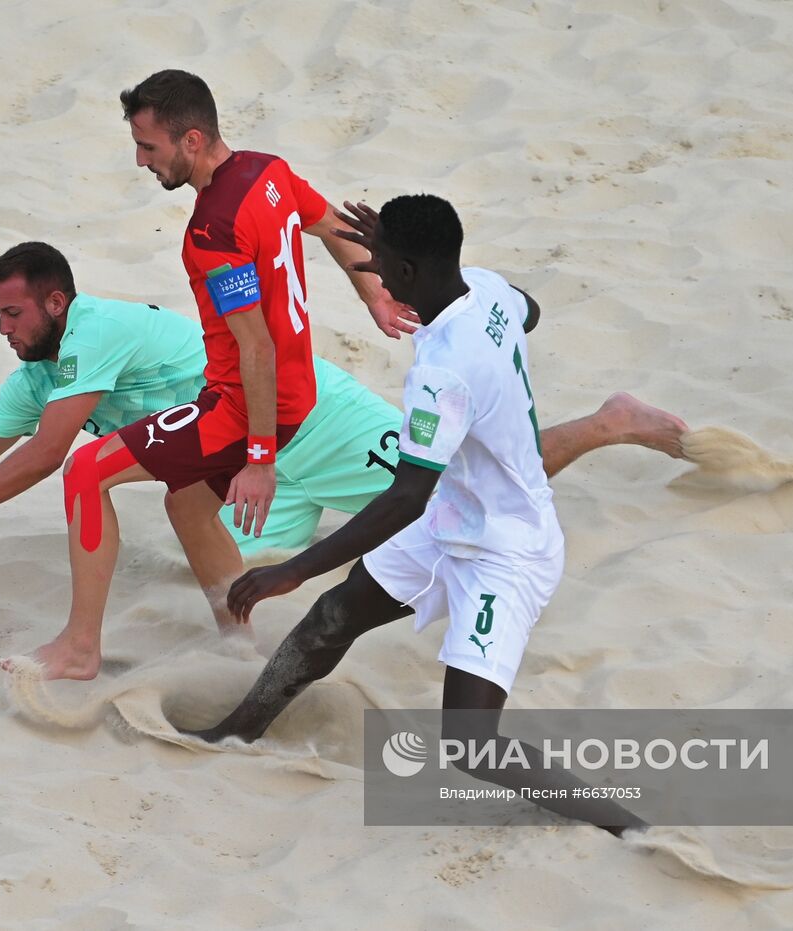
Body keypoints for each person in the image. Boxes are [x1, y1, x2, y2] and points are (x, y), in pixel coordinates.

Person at [0, 242, 687, 677]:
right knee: (183, 502)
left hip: (305, 416)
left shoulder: (95, 329)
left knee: (463, 484)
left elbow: (51, 457)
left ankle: (608, 422)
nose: (3, 327)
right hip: (239, 450)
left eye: (13, 312)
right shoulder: (43, 372)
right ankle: (236, 637)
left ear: (55, 301)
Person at [186, 195, 645, 834]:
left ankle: (627, 826)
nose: (366, 264)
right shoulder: (484, 289)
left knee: (470, 744)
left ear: (404, 275)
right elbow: (527, 309)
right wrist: (402, 249)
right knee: (332, 618)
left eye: (377, 259)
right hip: (454, 518)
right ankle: (237, 732)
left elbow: (407, 496)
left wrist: (293, 570)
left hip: (506, 549)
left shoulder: (442, 373)